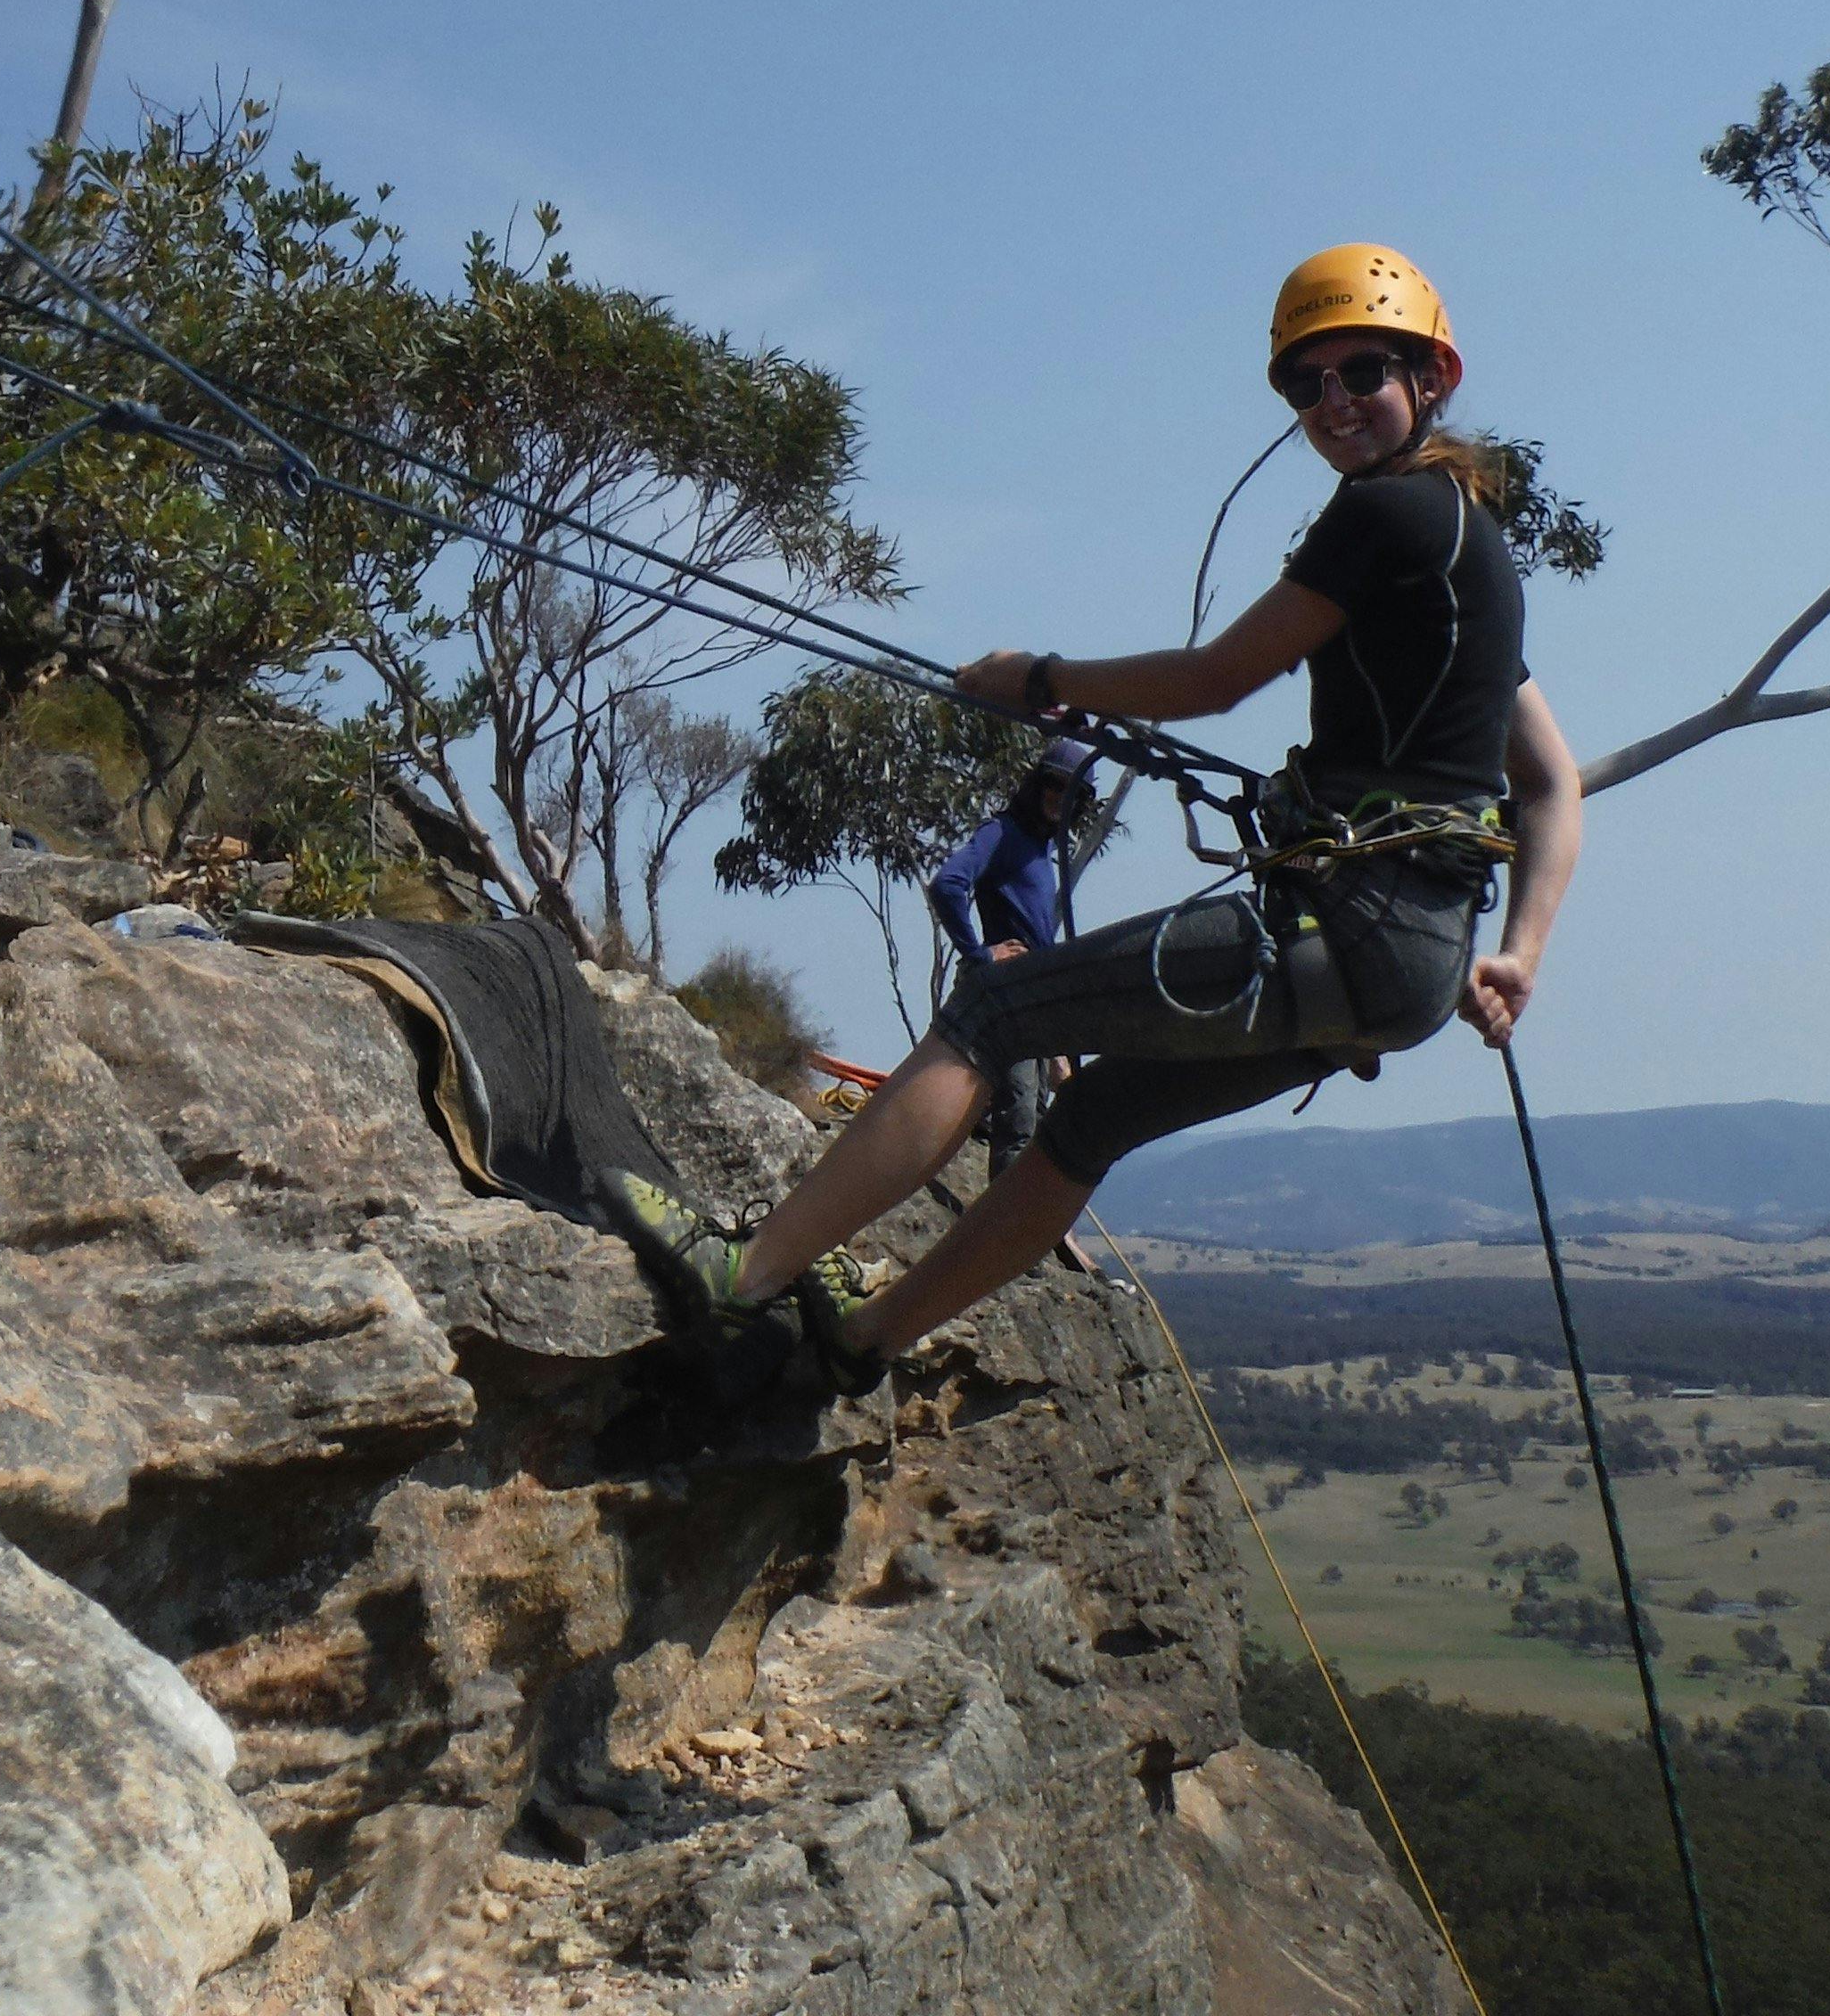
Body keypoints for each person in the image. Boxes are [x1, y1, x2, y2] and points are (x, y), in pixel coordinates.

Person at [615, 243, 1582, 1387]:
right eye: (1304, 383)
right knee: (1094, 1121)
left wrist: (1041, 679)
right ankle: (859, 1345)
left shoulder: (1387, 514)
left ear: (1432, 377)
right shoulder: (1474, 541)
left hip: (1349, 931)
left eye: (1363, 371)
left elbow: (1217, 677)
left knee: (994, 1010)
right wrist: (1518, 953)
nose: (1332, 403)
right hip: (1406, 965)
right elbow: (1549, 779)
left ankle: (744, 1277)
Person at [925, 737, 1101, 1173]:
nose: (1061, 799)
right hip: (1009, 997)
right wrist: (980, 955)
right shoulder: (1002, 833)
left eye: (1073, 793)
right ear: (1037, 785)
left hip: (1034, 999)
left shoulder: (1042, 848)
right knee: (1019, 1124)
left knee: (1036, 1120)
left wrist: (1057, 1046)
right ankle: (1004, 1217)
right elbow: (947, 884)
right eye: (1055, 786)